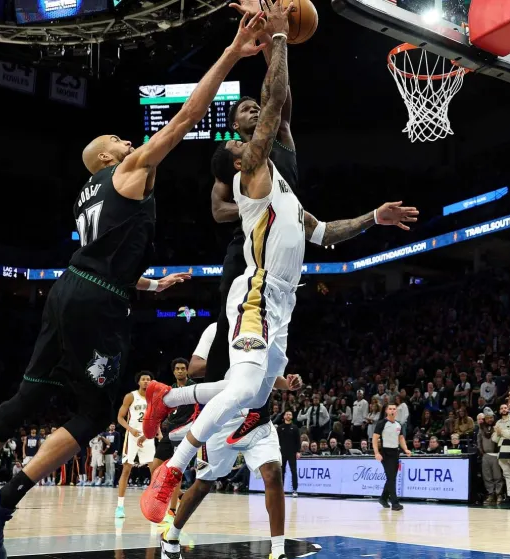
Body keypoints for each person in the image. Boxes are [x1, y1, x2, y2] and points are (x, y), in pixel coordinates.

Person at [0, 14, 268, 558]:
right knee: (90, 416)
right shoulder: (128, 169)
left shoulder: (92, 193)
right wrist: (231, 52)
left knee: (28, 394)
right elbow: (187, 117)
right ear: (107, 158)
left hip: (70, 288)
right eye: (114, 139)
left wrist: (143, 284)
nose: (124, 138)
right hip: (96, 301)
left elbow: (104, 248)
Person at [139, 0, 418, 523]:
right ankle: (173, 467)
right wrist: (281, 38)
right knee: (246, 388)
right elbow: (273, 109)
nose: (253, 136)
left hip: (283, 304)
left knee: (260, 391)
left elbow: (325, 232)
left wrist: (373, 218)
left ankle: (167, 396)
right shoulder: (253, 178)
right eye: (246, 141)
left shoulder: (285, 192)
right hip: (257, 292)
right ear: (241, 158)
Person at [159, 314, 302, 559]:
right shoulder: (216, 330)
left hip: (258, 418)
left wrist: (287, 385)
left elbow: (267, 376)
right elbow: (194, 367)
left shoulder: (264, 328)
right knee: (203, 483)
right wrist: (238, 364)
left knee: (273, 473)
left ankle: (278, 551)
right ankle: (171, 536)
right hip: (222, 419)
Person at [137, 358, 197, 524]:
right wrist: (147, 434)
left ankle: (171, 510)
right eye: (177, 369)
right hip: (168, 433)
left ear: (187, 370)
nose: (180, 371)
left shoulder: (193, 388)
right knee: (155, 467)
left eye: (182, 368)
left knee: (173, 472)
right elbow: (160, 413)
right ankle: (179, 496)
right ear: (173, 372)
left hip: (184, 435)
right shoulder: (170, 390)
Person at [116, 372, 155, 518]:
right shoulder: (131, 396)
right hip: (132, 436)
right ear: (138, 382)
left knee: (154, 471)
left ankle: (153, 503)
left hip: (148, 436)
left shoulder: (154, 397)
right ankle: (120, 507)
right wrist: (130, 429)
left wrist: (157, 431)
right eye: (143, 379)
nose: (146, 381)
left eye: (148, 379)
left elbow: (155, 417)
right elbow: (120, 417)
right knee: (127, 469)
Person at [372, 403, 411, 511]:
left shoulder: (398, 424)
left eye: (394, 409)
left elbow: (401, 438)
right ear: (386, 411)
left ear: (396, 411)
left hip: (395, 453)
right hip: (385, 453)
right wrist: (376, 453)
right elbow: (375, 439)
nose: (392, 410)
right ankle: (395, 503)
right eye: (390, 409)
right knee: (391, 478)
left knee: (391, 478)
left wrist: (406, 449)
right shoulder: (381, 423)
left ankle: (383, 498)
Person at [277, 410, 301, 496]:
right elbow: (277, 441)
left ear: (292, 416)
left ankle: (295, 490)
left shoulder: (295, 428)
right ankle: (280, 490)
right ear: (284, 416)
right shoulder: (279, 428)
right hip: (282, 453)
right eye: (286, 414)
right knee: (281, 472)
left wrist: (298, 451)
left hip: (292, 453)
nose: (288, 415)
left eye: (290, 414)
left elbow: (298, 441)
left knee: (293, 471)